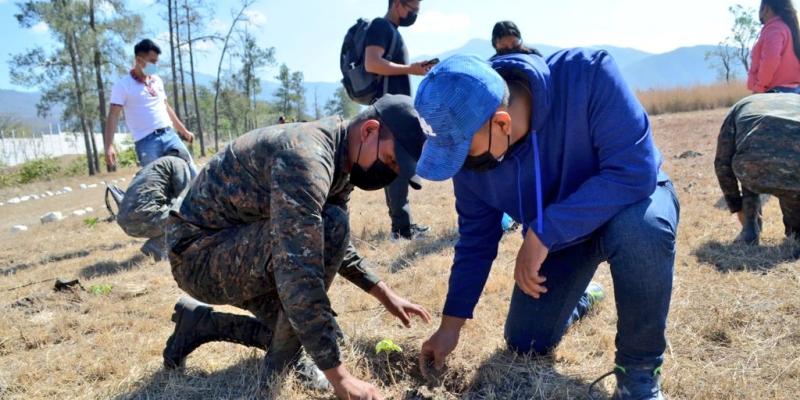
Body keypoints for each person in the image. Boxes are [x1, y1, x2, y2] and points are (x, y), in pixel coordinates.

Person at [413, 54, 679, 400]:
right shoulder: (472, 165)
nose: (460, 163)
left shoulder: (588, 75)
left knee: (644, 229)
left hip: (628, 206)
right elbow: (476, 241)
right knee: (525, 341)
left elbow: (634, 171)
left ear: (502, 123)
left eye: (463, 151)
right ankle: (579, 299)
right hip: (563, 239)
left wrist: (543, 231)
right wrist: (450, 326)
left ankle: (639, 372)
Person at [164, 95, 431, 400]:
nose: (389, 174)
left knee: (316, 331)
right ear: (369, 131)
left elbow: (327, 240)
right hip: (197, 256)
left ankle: (201, 324)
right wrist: (340, 377)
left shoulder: (341, 156)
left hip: (233, 244)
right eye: (390, 160)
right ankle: (279, 369)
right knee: (307, 325)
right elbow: (299, 270)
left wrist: (382, 292)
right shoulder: (306, 159)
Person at [364, 0, 434, 241]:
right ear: (396, 4)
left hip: (391, 107)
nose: (413, 14)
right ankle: (401, 230)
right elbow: (372, 62)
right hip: (388, 109)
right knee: (398, 165)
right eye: (411, 9)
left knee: (396, 165)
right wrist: (410, 69)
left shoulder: (390, 31)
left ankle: (401, 225)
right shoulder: (380, 26)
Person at [714, 93, 800, 253]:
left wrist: (737, 206)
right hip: (797, 168)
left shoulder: (742, 104)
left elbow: (722, 163)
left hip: (753, 167)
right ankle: (795, 234)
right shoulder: (796, 100)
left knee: (750, 165)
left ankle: (750, 227)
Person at [104, 39, 198, 176]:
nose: (155, 65)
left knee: (190, 171)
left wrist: (183, 131)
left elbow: (166, 108)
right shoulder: (123, 86)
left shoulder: (157, 81)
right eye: (152, 62)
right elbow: (113, 115)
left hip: (169, 134)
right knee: (155, 183)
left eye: (156, 62)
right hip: (146, 141)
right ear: (139, 60)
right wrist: (109, 146)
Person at [113, 153, 192, 262]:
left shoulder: (151, 168)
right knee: (189, 213)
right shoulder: (178, 162)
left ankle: (157, 245)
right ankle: (157, 246)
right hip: (147, 218)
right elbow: (185, 196)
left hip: (126, 224)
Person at [748, 0, 800, 94]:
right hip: (796, 90)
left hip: (775, 90)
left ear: (766, 8)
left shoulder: (774, 29)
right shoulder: (791, 30)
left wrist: (760, 87)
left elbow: (770, 60)